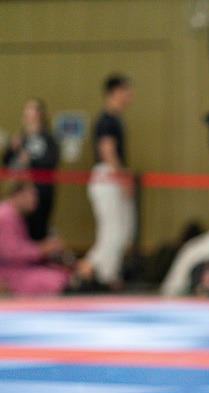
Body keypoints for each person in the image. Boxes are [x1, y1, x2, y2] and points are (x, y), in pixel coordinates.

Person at [79, 74, 134, 291]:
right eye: (127, 90)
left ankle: (105, 274)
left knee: (121, 232)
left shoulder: (114, 119)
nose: (130, 95)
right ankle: (87, 271)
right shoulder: (106, 121)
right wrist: (122, 179)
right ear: (116, 91)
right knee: (112, 232)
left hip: (111, 177)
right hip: (107, 177)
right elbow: (107, 151)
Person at [2, 99, 60, 242]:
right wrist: (12, 148)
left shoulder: (48, 139)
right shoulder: (20, 137)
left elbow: (50, 162)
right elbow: (8, 162)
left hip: (41, 192)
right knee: (18, 228)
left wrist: (30, 159)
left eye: (33, 112)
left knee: (38, 230)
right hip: (19, 191)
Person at [0, 184, 71, 295]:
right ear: (18, 194)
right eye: (32, 195)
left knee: (60, 272)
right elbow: (11, 252)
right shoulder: (6, 215)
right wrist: (42, 249)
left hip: (16, 270)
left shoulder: (12, 214)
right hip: (10, 273)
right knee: (57, 280)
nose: (36, 200)